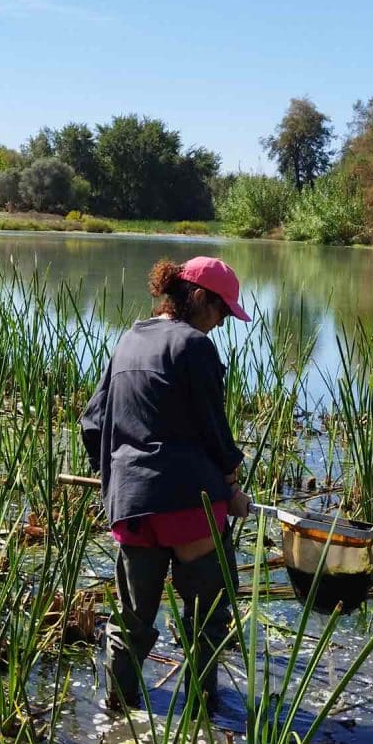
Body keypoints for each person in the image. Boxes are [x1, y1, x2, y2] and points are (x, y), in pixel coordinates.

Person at [80, 256, 253, 713]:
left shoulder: (128, 341)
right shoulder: (194, 346)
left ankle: (117, 707)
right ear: (198, 298)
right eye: (220, 312)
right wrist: (232, 486)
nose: (219, 325)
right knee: (207, 620)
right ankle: (203, 710)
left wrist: (120, 480)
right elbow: (214, 431)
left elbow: (93, 424)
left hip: (132, 509)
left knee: (132, 619)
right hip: (190, 508)